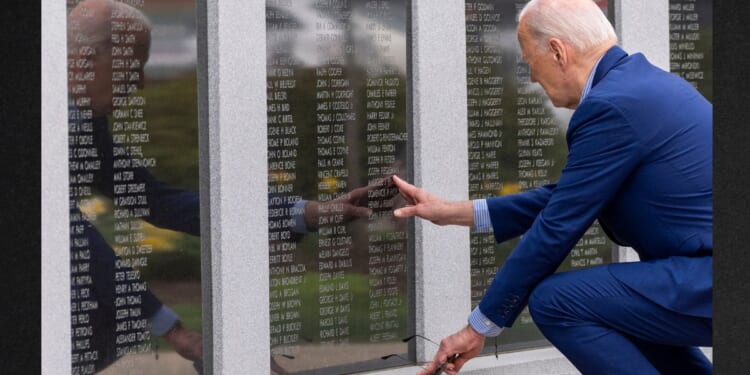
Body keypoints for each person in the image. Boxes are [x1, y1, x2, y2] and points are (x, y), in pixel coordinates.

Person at [392, 0, 712, 374]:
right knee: (614, 308)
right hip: (705, 277)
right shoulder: (640, 86)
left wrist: (479, 325)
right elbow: (568, 198)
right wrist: (449, 213)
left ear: (558, 51)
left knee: (556, 302)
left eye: (529, 60)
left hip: (708, 280)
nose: (531, 76)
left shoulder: (614, 106)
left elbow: (559, 223)